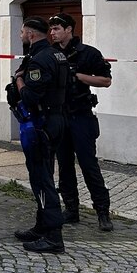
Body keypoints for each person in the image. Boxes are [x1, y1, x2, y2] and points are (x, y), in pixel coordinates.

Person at [48, 13, 114, 232]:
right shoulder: (52, 53)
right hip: (60, 117)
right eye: (51, 29)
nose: (53, 32)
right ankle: (71, 209)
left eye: (57, 28)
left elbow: (106, 81)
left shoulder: (88, 53)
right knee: (65, 165)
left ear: (69, 30)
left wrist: (79, 77)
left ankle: (103, 212)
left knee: (88, 165)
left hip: (81, 116)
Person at [11, 16, 71, 253]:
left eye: (22, 31)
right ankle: (42, 226)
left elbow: (30, 96)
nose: (21, 35)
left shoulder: (39, 60)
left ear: (31, 34)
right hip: (55, 120)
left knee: (41, 179)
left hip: (41, 123)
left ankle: (54, 236)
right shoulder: (57, 54)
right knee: (43, 173)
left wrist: (18, 80)